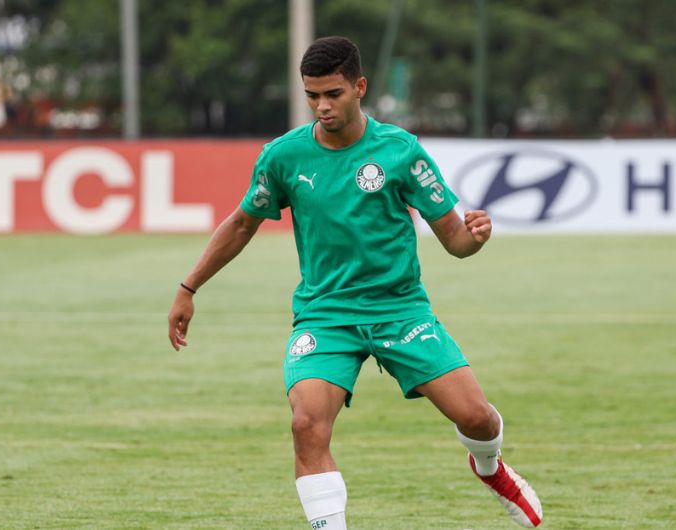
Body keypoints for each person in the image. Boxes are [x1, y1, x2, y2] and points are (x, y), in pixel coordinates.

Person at [167, 36, 542, 529]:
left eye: (334, 94)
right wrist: (188, 288)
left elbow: (453, 239)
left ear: (359, 87)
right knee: (306, 424)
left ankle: (490, 468)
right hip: (326, 315)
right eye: (313, 96)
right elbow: (241, 224)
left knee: (475, 418)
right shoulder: (283, 157)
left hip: (400, 310)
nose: (322, 106)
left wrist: (476, 237)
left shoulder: (399, 151)